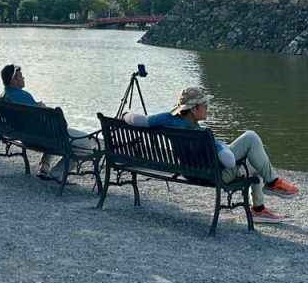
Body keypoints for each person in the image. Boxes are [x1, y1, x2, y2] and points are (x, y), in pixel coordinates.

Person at [122, 86, 298, 224]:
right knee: (251, 138)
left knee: (257, 163)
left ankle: (261, 206)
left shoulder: (168, 119)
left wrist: (125, 114)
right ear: (193, 109)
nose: (207, 107)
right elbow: (229, 162)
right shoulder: (203, 134)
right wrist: (221, 145)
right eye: (204, 104)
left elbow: (139, 120)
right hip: (213, 175)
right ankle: (270, 189)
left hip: (190, 171)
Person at [0, 63, 96, 182]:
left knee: (49, 132)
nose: (23, 78)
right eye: (21, 76)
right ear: (13, 80)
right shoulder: (23, 96)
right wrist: (45, 108)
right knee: (86, 142)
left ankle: (45, 167)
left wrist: (39, 106)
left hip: (25, 137)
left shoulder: (4, 96)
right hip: (40, 139)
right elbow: (44, 120)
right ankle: (56, 174)